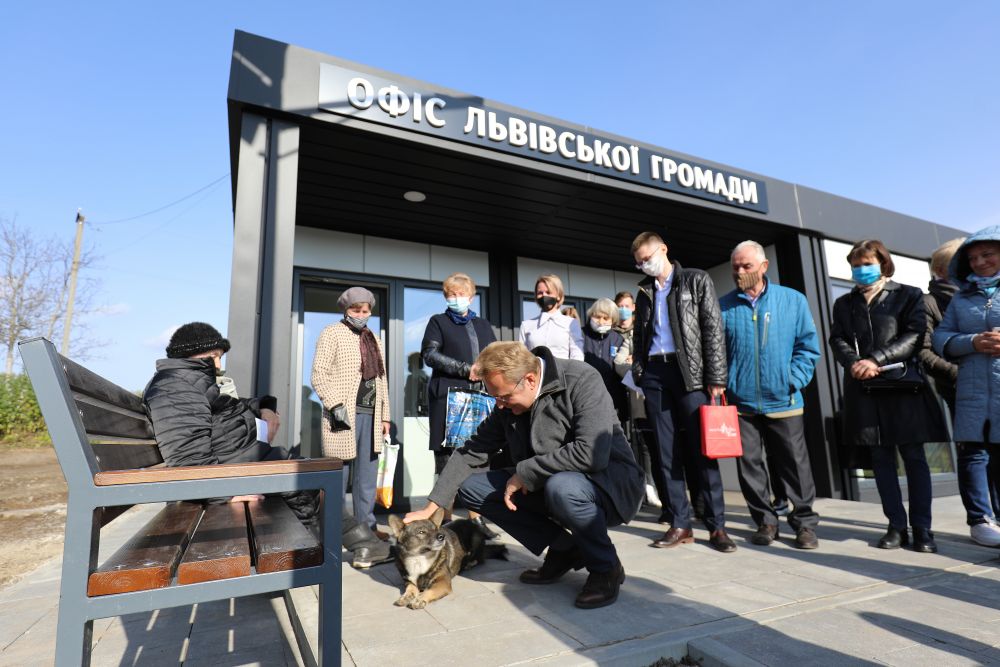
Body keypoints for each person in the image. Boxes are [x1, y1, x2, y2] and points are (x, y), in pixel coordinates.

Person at [404, 342, 644, 609]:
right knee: (472, 488)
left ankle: (605, 567)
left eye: (504, 397)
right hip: (549, 482)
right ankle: (565, 549)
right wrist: (431, 506)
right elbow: (472, 451)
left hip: (607, 483)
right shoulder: (508, 401)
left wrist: (525, 473)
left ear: (529, 380)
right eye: (495, 397)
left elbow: (592, 453)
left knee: (562, 487)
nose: (500, 405)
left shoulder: (581, 379)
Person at [142, 322, 391, 568]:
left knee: (313, 476)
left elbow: (236, 406)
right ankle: (328, 552)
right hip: (238, 475)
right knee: (312, 480)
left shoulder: (191, 383)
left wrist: (266, 407)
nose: (218, 365)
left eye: (220, 357)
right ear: (189, 353)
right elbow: (188, 459)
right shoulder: (174, 387)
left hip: (249, 465)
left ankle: (346, 547)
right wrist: (225, 494)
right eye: (213, 356)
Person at [830, 240, 948, 553]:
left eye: (867, 262)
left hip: (902, 387)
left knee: (914, 458)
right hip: (864, 391)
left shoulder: (908, 295)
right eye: (855, 264)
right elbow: (837, 338)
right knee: (880, 460)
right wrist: (854, 363)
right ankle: (896, 525)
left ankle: (922, 528)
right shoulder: (844, 303)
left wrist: (876, 359)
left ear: (883, 263)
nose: (861, 270)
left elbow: (914, 335)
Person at [629, 231, 735, 553]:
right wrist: (640, 373)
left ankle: (717, 527)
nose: (644, 265)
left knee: (703, 450)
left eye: (647, 257)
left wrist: (716, 376)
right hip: (656, 375)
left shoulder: (695, 280)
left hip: (691, 374)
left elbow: (712, 327)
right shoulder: (644, 293)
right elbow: (639, 337)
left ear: (663, 249)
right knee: (666, 451)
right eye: (638, 262)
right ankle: (680, 523)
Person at [719, 241, 821, 549]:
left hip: (785, 400)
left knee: (795, 465)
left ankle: (804, 523)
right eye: (735, 266)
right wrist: (726, 383)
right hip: (741, 404)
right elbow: (717, 352)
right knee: (750, 467)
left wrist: (793, 380)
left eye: (746, 266)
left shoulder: (792, 300)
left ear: (764, 267)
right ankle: (765, 521)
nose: (739, 271)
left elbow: (807, 346)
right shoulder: (723, 305)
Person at [932, 227, 1000, 547]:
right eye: (973, 257)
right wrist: (973, 341)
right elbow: (940, 340)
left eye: (987, 254)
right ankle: (980, 519)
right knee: (973, 454)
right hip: (972, 390)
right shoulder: (962, 298)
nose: (980, 262)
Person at [420, 272, 497, 535]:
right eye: (451, 294)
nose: (456, 299)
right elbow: (430, 355)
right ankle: (446, 519)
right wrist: (466, 370)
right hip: (448, 399)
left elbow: (496, 356)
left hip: (479, 400)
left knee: (478, 458)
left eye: (461, 294)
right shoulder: (438, 322)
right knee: (446, 460)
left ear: (471, 296)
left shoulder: (484, 325)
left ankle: (477, 519)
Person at [311, 287, 390, 536]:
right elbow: (318, 374)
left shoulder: (374, 338)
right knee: (339, 474)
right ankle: (335, 529)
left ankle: (366, 528)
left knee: (366, 478)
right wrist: (335, 405)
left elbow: (381, 378)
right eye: (356, 310)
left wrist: (385, 414)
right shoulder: (332, 333)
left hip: (372, 414)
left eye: (365, 310)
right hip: (342, 413)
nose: (361, 314)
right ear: (346, 310)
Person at [614, 291, 666, 511]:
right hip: (627, 397)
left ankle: (656, 489)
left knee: (655, 446)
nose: (624, 309)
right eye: (620, 306)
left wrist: (636, 363)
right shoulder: (619, 335)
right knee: (635, 446)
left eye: (627, 305)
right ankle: (641, 488)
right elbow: (618, 363)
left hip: (651, 396)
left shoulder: (649, 332)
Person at [520, 274, 585, 360]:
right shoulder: (526, 325)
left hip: (563, 372)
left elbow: (577, 355)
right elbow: (522, 357)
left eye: (548, 292)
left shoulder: (571, 323)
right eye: (540, 293)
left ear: (558, 295)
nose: (544, 295)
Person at [582, 298, 627, 420]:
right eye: (597, 317)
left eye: (606, 318)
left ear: (613, 320)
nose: (601, 321)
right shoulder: (581, 336)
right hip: (587, 395)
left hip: (613, 398)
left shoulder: (618, 339)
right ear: (591, 315)